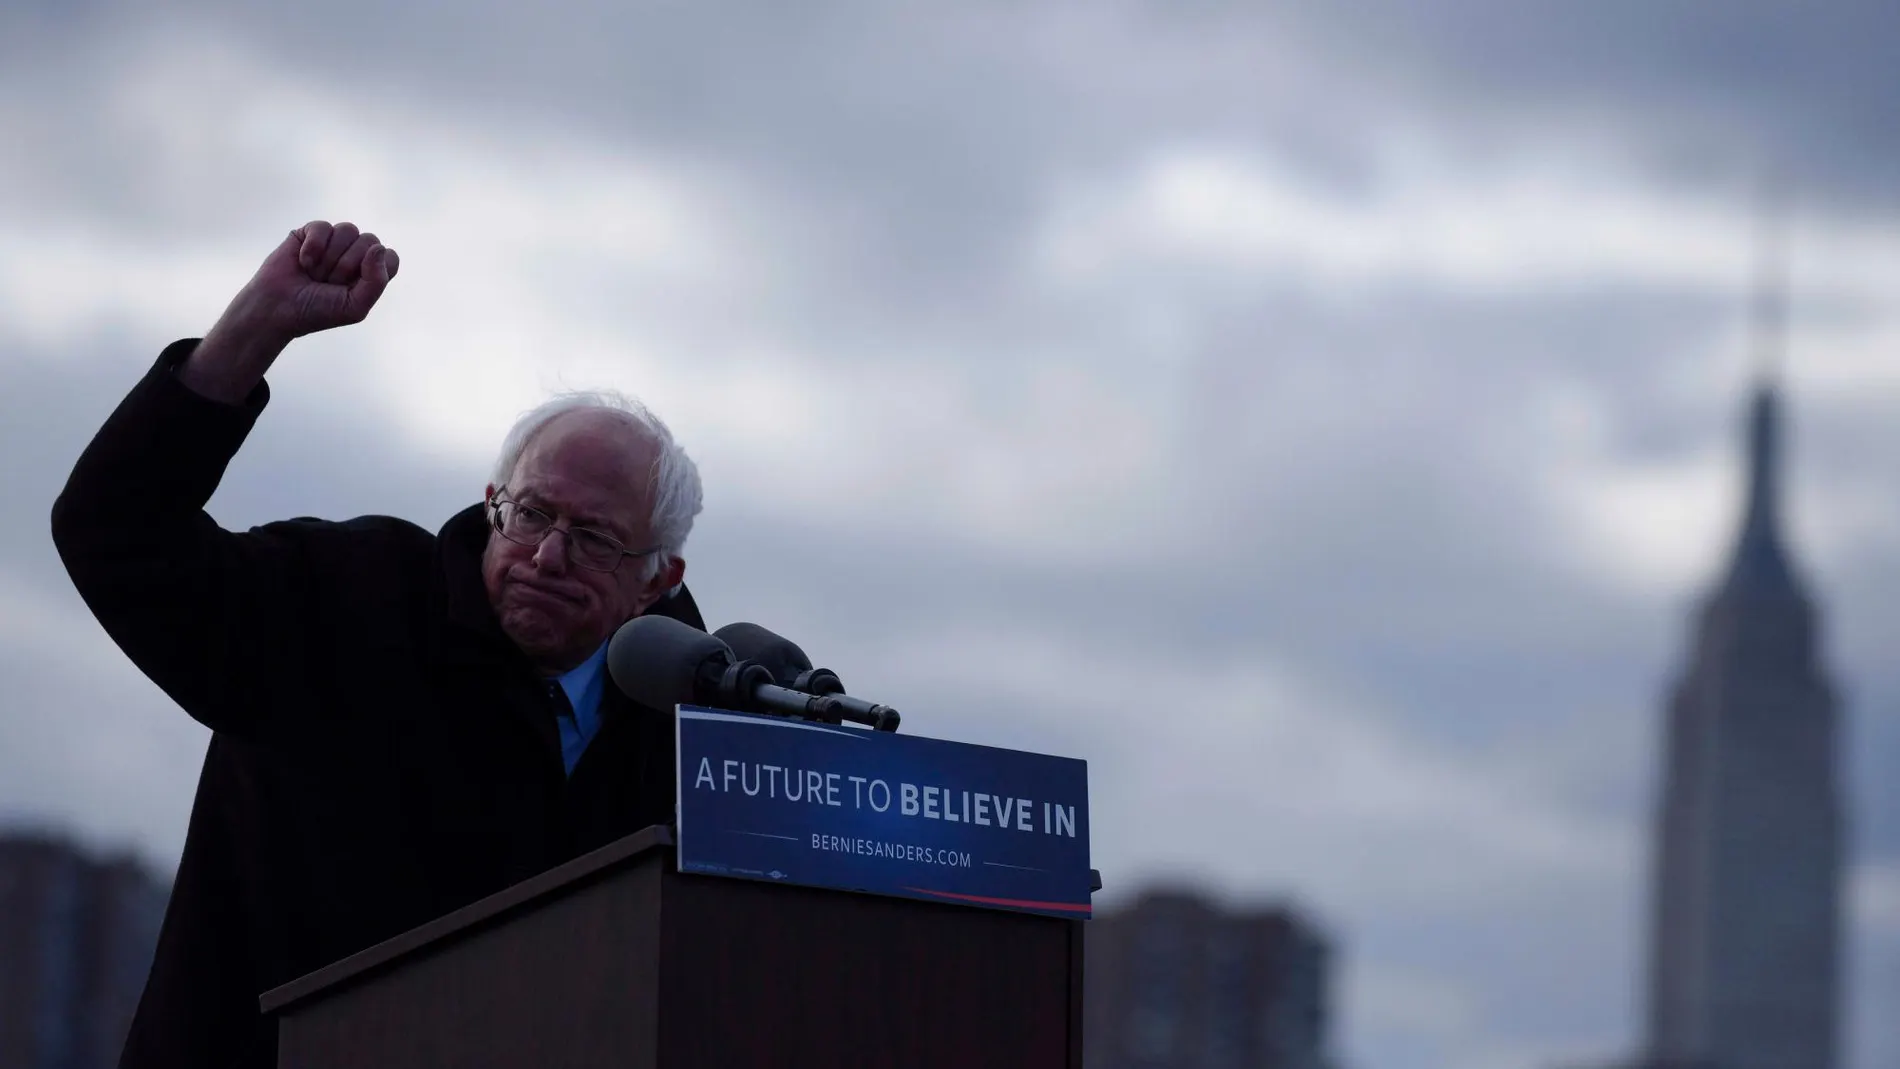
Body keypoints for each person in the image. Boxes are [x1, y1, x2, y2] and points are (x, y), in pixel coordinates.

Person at [51, 220, 708, 1068]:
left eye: (592, 538)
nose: (547, 555)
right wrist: (255, 328)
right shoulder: (343, 599)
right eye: (533, 513)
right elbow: (116, 531)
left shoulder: (692, 719)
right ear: (493, 501)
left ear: (657, 578)